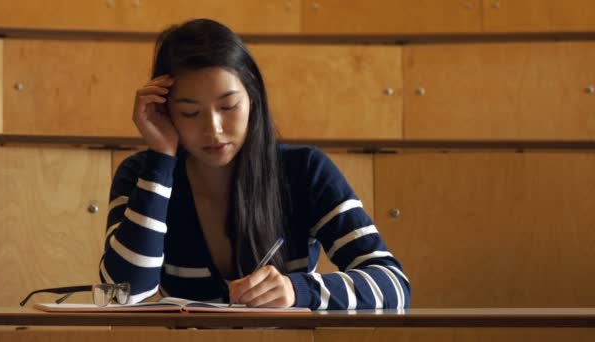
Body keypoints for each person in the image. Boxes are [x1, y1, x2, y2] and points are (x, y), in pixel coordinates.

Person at [100, 18, 410, 310]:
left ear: (252, 97)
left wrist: (298, 290)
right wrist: (160, 159)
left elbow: (394, 285)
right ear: (164, 111)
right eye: (189, 113)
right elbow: (125, 293)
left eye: (228, 106)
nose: (214, 129)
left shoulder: (305, 170)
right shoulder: (142, 174)